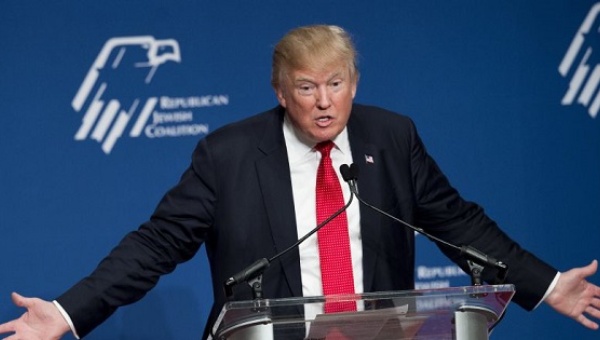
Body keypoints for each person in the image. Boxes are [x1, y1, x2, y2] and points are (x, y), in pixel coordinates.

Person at [1, 24, 599, 340]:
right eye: (307, 87)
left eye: (335, 83)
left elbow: (457, 221)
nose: (323, 102)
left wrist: (546, 286)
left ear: (355, 83)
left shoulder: (391, 138)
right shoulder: (229, 155)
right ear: (280, 91)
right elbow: (155, 246)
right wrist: (66, 313)